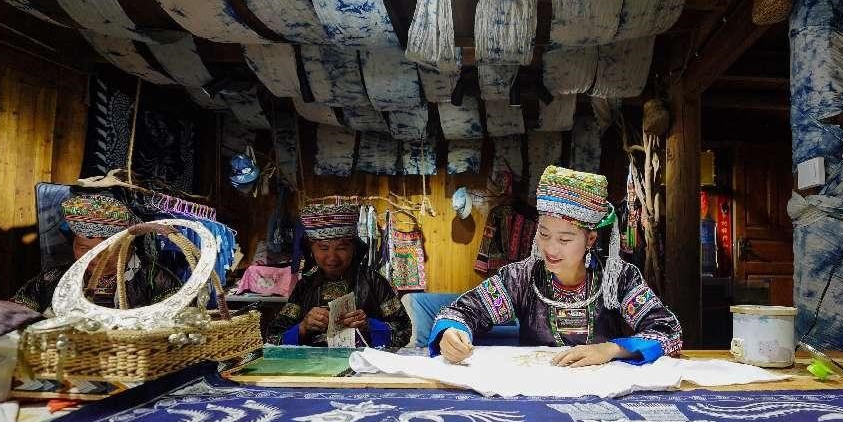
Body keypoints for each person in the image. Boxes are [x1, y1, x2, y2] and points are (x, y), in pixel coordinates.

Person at [430, 165, 682, 367]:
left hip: (600, 391)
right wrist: (451, 332)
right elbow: (462, 312)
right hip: (535, 391)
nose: (550, 248)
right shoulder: (521, 277)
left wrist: (612, 349)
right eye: (544, 234)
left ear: (590, 240)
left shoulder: (618, 278)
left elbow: (668, 331)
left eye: (565, 239)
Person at [267, 201, 410, 349]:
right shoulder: (305, 286)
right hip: (313, 362)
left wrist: (370, 325)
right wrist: (303, 328)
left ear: (353, 248)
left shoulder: (374, 282)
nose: (332, 257)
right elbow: (273, 338)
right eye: (324, 248)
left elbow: (404, 331)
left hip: (361, 361)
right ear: (311, 249)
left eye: (341, 248)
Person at [12, 193, 180, 314]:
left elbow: (178, 326)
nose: (95, 258)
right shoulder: (53, 279)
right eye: (84, 249)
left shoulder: (155, 279)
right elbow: (15, 316)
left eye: (106, 250)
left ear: (128, 247)